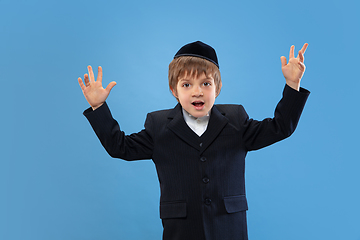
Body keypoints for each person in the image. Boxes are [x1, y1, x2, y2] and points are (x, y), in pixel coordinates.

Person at [78, 41, 310, 240]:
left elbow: (280, 127)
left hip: (228, 228)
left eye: (206, 84)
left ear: (217, 88)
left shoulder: (237, 120)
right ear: (174, 90)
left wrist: (292, 85)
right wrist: (98, 107)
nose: (197, 92)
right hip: (182, 230)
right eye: (187, 85)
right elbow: (120, 147)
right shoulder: (158, 125)